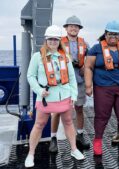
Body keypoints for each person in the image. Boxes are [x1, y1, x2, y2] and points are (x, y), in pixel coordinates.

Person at [25, 25, 84, 167]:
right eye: (50, 39)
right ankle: (31, 154)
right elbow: (30, 76)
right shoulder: (37, 57)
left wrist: (73, 95)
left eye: (55, 40)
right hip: (46, 97)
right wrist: (39, 91)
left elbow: (71, 78)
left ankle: (74, 149)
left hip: (64, 95)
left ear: (59, 41)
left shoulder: (65, 57)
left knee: (69, 122)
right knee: (39, 124)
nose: (53, 42)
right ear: (46, 40)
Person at [85, 20, 119, 155]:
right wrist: (88, 85)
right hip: (103, 88)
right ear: (105, 34)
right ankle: (98, 141)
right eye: (110, 34)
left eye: (115, 34)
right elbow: (88, 67)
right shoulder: (96, 48)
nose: (113, 37)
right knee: (102, 115)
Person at [49, 15, 90, 153]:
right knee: (57, 111)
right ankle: (53, 138)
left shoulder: (85, 44)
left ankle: (80, 135)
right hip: (62, 83)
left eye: (76, 26)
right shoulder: (59, 42)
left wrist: (86, 66)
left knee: (79, 108)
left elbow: (90, 60)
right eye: (71, 26)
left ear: (79, 29)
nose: (73, 28)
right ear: (66, 28)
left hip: (79, 81)